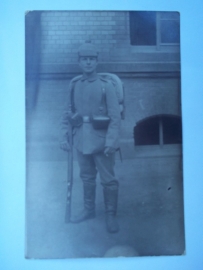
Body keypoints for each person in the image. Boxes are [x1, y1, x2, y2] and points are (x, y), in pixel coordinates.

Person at [60, 42, 121, 233]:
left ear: (97, 62)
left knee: (108, 179)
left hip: (102, 141)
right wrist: (64, 136)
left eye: (91, 59)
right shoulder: (74, 85)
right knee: (86, 177)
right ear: (79, 62)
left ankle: (110, 215)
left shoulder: (106, 86)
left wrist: (111, 142)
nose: (88, 63)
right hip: (80, 139)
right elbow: (68, 114)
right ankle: (89, 210)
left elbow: (115, 117)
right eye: (84, 59)